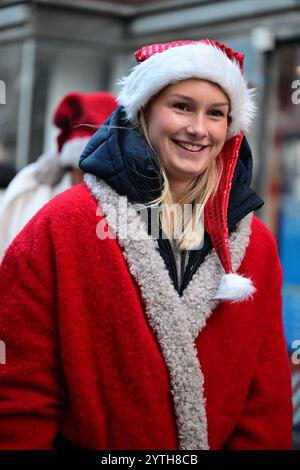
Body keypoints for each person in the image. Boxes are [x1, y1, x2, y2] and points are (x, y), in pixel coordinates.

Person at [0, 39, 293, 450]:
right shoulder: (64, 224)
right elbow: (18, 390)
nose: (198, 128)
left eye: (215, 114)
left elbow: (267, 398)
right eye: (182, 106)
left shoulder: (254, 242)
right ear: (143, 111)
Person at [0, 91, 117, 259]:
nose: (91, 180)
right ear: (71, 165)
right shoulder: (29, 190)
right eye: (84, 170)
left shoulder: (125, 207)